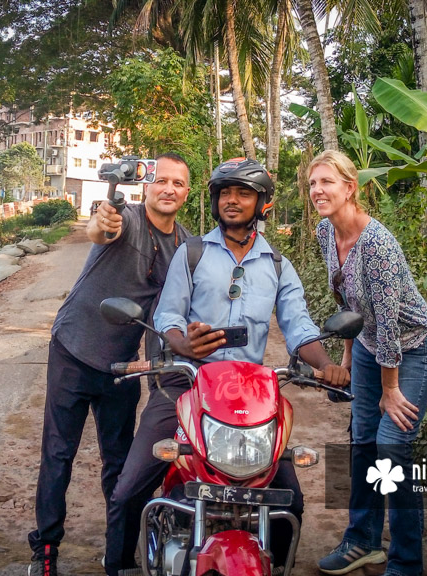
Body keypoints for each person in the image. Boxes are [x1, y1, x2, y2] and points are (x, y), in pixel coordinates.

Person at [104, 158, 351, 576]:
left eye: (244, 193)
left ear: (262, 204)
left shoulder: (277, 266)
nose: (232, 201)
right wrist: (184, 343)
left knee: (291, 498)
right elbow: (168, 317)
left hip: (249, 396)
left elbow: (300, 327)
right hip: (186, 385)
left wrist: (327, 366)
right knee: (129, 489)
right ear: (215, 200)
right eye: (225, 193)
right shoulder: (193, 252)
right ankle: (119, 566)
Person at [27, 153, 191, 576]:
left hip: (123, 367)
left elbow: (171, 313)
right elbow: (99, 228)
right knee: (58, 454)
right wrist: (103, 219)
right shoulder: (127, 218)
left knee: (119, 462)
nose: (169, 188)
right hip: (73, 349)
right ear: (147, 186)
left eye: (178, 183)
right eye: (161, 181)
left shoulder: (187, 247)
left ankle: (117, 552)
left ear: (186, 193)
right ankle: (45, 550)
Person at [308, 150, 427, 576]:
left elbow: (388, 325)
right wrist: (347, 355)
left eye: (327, 182)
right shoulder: (324, 234)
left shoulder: (378, 244)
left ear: (350, 188)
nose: (317, 191)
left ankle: (405, 563)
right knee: (363, 441)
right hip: (368, 347)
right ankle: (362, 540)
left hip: (413, 348)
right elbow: (348, 300)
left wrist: (390, 389)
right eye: (313, 183)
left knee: (392, 447)